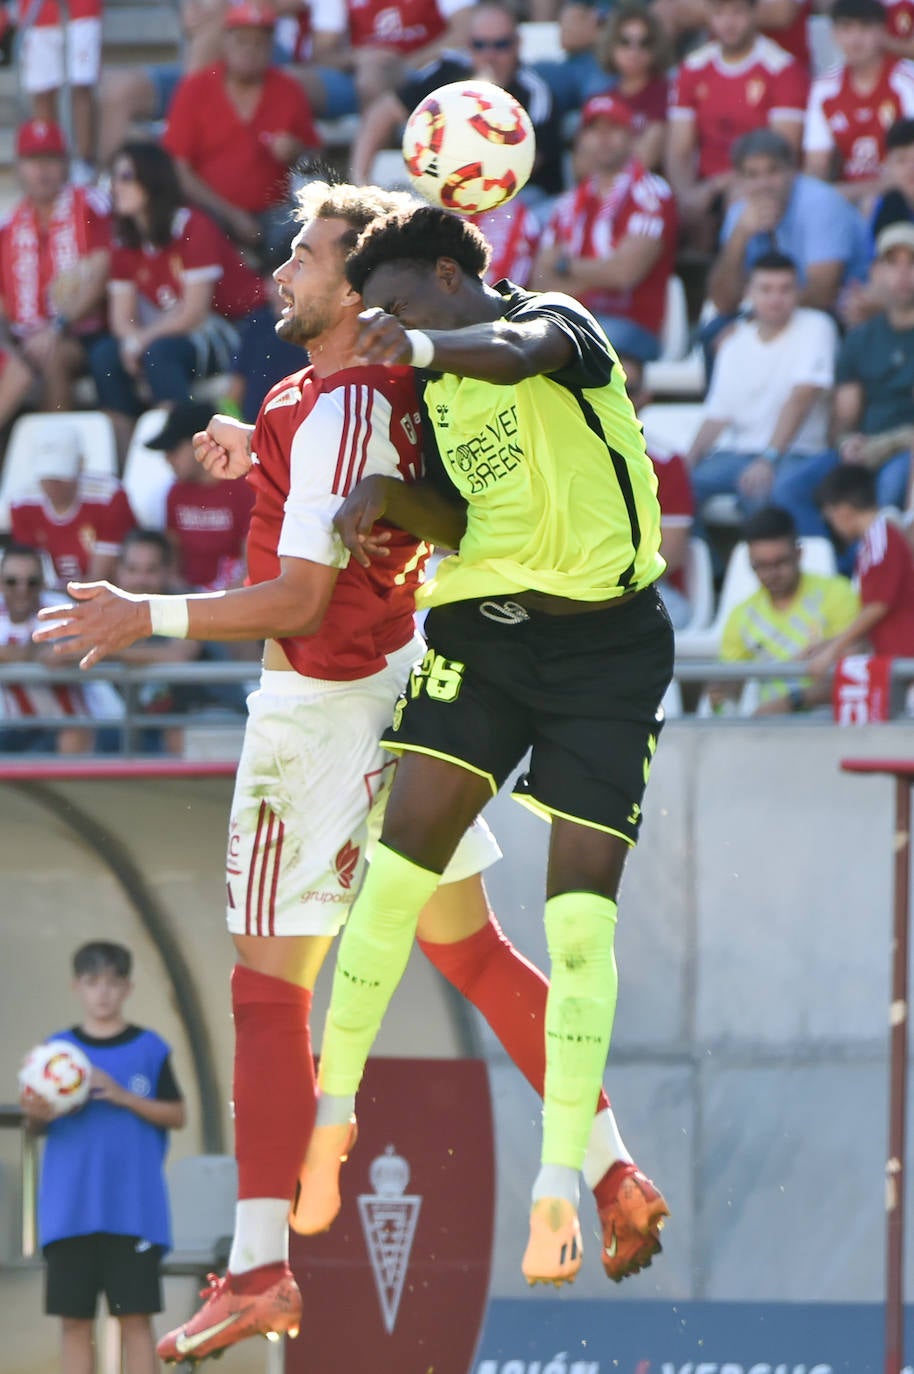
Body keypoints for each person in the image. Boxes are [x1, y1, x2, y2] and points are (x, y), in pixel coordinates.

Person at [35, 183, 669, 1360]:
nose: (286, 269)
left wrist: (147, 614)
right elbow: (391, 497)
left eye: (311, 257)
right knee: (472, 952)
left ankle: (260, 1268)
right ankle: (614, 1168)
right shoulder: (362, 392)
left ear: (360, 293)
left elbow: (299, 595)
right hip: (403, 696)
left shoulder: (338, 395)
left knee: (267, 991)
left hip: (317, 713)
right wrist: (260, 450)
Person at [287, 203, 673, 1287]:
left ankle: (560, 1185)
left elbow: (512, 353)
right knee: (396, 873)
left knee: (575, 926)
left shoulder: (556, 324)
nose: (389, 328)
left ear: (452, 280)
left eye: (401, 305)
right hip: (488, 637)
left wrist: (409, 342)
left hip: (608, 652)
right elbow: (463, 516)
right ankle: (329, 1116)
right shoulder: (434, 384)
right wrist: (389, 502)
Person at [18, 940, 185, 1374]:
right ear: (77, 987)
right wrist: (36, 1115)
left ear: (127, 987)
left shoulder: (151, 1048)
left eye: (113, 982)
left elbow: (178, 1113)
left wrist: (123, 1095)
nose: (103, 993)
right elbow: (36, 1128)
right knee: (74, 1322)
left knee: (135, 1318)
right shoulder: (55, 1053)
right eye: (93, 982)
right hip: (69, 1210)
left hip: (133, 1211)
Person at [88, 142, 269, 460]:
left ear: (152, 178)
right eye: (112, 178)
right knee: (105, 356)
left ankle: (181, 453)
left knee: (159, 354)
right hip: (180, 330)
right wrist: (131, 341)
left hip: (238, 329)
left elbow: (194, 312)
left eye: (126, 176)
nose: (116, 187)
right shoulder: (125, 239)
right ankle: (123, 460)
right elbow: (121, 317)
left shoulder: (191, 225)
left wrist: (140, 341)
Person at [531, 93, 677, 398]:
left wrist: (566, 266)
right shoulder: (567, 204)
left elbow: (624, 274)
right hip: (575, 319)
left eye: (614, 129)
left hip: (632, 324)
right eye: (594, 130)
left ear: (631, 137)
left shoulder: (651, 193)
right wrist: (598, 272)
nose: (603, 139)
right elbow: (541, 283)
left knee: (571, 346)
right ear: (581, 139)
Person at [349, 3, 564, 204]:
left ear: (517, 44)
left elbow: (528, 162)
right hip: (452, 192)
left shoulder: (535, 91)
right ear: (468, 44)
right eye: (480, 45)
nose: (490, 55)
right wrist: (361, 184)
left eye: (501, 45)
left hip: (516, 197)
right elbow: (382, 113)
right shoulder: (447, 70)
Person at [162, 0, 321, 271]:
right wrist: (232, 216)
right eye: (242, 41)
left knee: (304, 229)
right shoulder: (195, 88)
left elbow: (315, 158)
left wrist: (296, 151)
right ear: (225, 43)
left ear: (271, 47)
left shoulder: (288, 89)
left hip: (274, 213)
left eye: (259, 42)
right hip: (211, 211)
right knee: (197, 228)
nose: (250, 50)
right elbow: (178, 169)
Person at [688, 252, 839, 531]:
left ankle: (784, 569)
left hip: (801, 453)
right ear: (749, 292)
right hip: (740, 455)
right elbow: (717, 416)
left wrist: (768, 458)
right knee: (674, 488)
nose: (775, 298)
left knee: (762, 489)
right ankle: (712, 572)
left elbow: (801, 398)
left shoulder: (817, 326)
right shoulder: (733, 343)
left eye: (785, 289)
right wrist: (689, 459)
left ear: (799, 292)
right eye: (766, 289)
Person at [666, 0, 808, 247]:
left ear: (755, 13)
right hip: (704, 184)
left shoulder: (782, 68)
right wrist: (685, 193)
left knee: (739, 200)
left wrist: (713, 188)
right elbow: (679, 149)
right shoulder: (692, 67)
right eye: (719, 12)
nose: (728, 23)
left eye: (737, 12)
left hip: (755, 180)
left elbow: (782, 152)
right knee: (667, 205)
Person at [0, 120, 110, 415]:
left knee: (51, 354)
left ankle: (55, 450)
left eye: (50, 159)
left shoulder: (90, 207)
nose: (42, 170)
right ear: (19, 167)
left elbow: (101, 274)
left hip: (83, 334)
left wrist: (56, 327)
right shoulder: (8, 226)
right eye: (34, 160)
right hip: (25, 338)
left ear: (65, 164)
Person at [710, 504, 860, 714]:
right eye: (760, 565)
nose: (771, 573)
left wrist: (792, 702)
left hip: (829, 724)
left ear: (799, 554)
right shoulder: (742, 615)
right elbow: (730, 687)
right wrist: (722, 695)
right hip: (770, 730)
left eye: (780, 562)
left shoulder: (838, 595)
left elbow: (856, 672)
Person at [707, 128, 870, 318]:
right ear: (740, 180)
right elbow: (723, 301)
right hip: (773, 313)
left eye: (773, 171)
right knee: (711, 335)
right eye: (752, 175)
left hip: (845, 312)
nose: (763, 184)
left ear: (792, 171)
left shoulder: (821, 203)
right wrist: (740, 236)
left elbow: (821, 293)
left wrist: (753, 321)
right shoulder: (739, 214)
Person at [832, 222, 914, 510]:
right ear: (875, 272)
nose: (903, 274)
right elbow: (844, 418)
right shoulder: (859, 339)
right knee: (792, 489)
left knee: (890, 487)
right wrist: (846, 443)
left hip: (906, 454)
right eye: (893, 263)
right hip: (865, 449)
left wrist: (887, 446)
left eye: (912, 262)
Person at [803, 0, 914, 205]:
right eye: (846, 28)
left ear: (882, 32)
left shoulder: (907, 81)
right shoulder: (825, 88)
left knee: (872, 203)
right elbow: (816, 164)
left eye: (865, 28)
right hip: (846, 197)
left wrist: (846, 194)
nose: (855, 39)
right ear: (834, 34)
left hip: (901, 198)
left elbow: (910, 169)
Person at [808, 463, 914, 671]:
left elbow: (878, 604)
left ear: (842, 512)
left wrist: (833, 650)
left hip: (905, 659)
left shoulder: (881, 538)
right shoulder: (875, 540)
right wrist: (827, 645)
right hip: (894, 658)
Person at [10, 423, 136, 586]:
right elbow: (30, 573)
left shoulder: (109, 497)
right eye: (47, 476)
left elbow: (98, 581)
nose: (53, 484)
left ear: (80, 465)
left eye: (61, 475)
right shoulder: (22, 503)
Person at [147, 400, 254, 591]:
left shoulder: (244, 490)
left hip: (231, 601)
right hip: (187, 598)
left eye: (173, 449)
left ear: (201, 443)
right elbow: (172, 564)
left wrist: (209, 608)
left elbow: (252, 568)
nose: (167, 458)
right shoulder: (175, 493)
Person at [0, 543, 97, 754]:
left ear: (43, 583)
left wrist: (11, 653)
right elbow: (45, 653)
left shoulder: (58, 606)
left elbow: (74, 648)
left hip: (64, 725)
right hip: (12, 727)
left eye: (31, 582)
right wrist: (33, 653)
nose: (22, 590)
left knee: (73, 736)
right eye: (12, 581)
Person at [18, 0, 104, 183]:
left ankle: (84, 163)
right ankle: (50, 160)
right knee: (42, 90)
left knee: (82, 83)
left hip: (82, 11)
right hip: (37, 11)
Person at [591, 2, 671, 170]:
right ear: (611, 45)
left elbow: (645, 159)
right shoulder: (602, 99)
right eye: (625, 41)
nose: (634, 50)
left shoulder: (667, 93)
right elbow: (582, 165)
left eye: (644, 42)